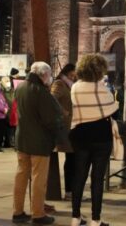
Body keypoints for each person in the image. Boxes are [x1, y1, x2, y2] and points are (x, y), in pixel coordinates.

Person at [12, 61, 63, 225]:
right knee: (38, 179)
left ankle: (17, 211)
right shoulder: (40, 91)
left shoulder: (20, 87)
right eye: (49, 76)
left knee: (21, 176)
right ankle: (38, 213)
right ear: (44, 74)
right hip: (39, 142)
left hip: (22, 139)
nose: (50, 79)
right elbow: (51, 119)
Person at [69, 55, 117, 226]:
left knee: (79, 176)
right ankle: (95, 220)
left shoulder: (75, 87)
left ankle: (75, 217)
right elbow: (113, 108)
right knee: (97, 179)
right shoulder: (102, 89)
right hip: (101, 138)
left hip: (80, 136)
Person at [51, 63, 76, 199]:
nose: (74, 76)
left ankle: (70, 190)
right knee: (71, 158)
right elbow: (52, 99)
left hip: (71, 126)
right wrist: (64, 112)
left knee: (72, 158)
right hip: (65, 126)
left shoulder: (69, 84)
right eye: (72, 73)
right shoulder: (60, 83)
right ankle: (69, 191)